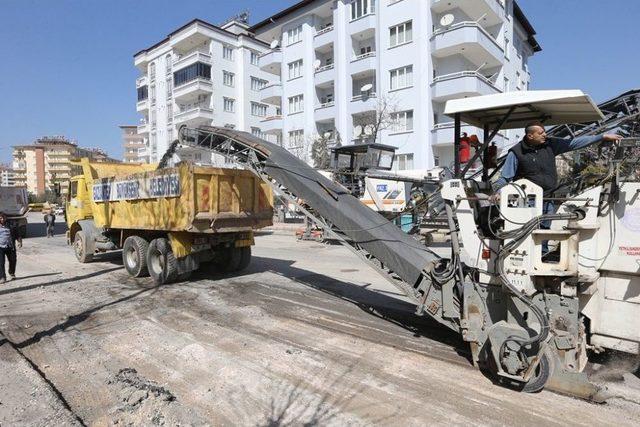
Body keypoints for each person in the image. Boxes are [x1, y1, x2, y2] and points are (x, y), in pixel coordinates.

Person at [492, 121, 621, 252]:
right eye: (541, 133)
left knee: (544, 231)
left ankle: (542, 258)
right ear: (530, 136)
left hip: (548, 198)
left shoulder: (550, 144)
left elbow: (574, 143)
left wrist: (601, 137)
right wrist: (498, 192)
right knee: (527, 230)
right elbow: (505, 177)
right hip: (527, 201)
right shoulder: (516, 153)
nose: (545, 135)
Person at [0, 212, 23, 284]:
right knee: (1, 263)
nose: (2, 219)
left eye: (3, 217)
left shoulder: (12, 224)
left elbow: (17, 234)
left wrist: (19, 241)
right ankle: (2, 277)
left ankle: (11, 273)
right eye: (0, 218)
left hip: (10, 246)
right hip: (0, 247)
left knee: (13, 260)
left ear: (6, 218)